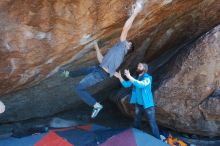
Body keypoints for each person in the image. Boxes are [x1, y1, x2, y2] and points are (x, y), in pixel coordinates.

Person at [60, 1, 144, 118]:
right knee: (85, 70)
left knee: (79, 88)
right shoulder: (117, 52)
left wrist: (135, 13)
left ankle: (95, 105)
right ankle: (68, 74)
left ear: (128, 47)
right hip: (99, 69)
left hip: (99, 73)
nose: (127, 41)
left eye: (128, 42)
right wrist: (96, 47)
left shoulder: (122, 47)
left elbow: (125, 29)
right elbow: (101, 60)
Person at [114, 63, 160, 139]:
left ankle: (158, 140)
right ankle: (136, 136)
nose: (137, 67)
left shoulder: (148, 78)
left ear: (144, 69)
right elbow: (126, 85)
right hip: (138, 104)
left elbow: (141, 85)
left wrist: (129, 76)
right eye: (137, 66)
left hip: (148, 105)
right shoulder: (136, 77)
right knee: (136, 121)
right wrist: (120, 77)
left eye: (140, 66)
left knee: (152, 123)